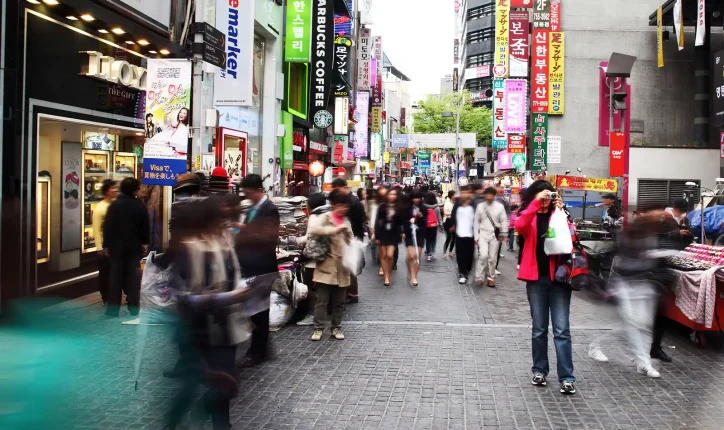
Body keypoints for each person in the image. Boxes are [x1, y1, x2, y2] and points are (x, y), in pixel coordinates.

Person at [516, 180, 577, 395]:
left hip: (560, 279)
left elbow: (572, 239)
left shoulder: (560, 214)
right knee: (539, 329)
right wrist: (534, 204)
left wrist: (562, 212)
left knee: (562, 330)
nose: (546, 199)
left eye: (548, 194)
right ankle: (539, 370)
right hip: (536, 279)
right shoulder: (529, 215)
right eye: (542, 194)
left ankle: (567, 377)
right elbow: (519, 226)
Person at [235, 174, 279, 368]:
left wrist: (242, 229)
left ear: (257, 190)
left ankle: (257, 352)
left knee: (259, 310)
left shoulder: (269, 209)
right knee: (255, 310)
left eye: (248, 192)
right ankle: (262, 347)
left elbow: (267, 237)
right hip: (250, 265)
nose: (246, 196)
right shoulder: (252, 209)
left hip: (262, 267)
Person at [309, 189, 353, 341]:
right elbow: (314, 230)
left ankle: (336, 327)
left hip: (343, 267)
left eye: (346, 206)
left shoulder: (346, 220)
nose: (344, 208)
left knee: (339, 302)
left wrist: (350, 240)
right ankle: (318, 328)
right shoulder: (325, 217)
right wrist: (334, 230)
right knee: (322, 300)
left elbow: (350, 240)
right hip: (326, 265)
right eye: (341, 205)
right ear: (334, 205)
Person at [102, 177, 149, 317]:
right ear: (134, 190)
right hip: (134, 248)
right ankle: (134, 308)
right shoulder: (140, 206)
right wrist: (144, 243)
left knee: (115, 279)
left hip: (116, 249)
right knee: (133, 280)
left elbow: (107, 227)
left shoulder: (114, 206)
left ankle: (112, 310)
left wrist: (106, 246)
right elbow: (144, 227)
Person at [294, 193, 329, 326]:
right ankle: (323, 312)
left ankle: (312, 315)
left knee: (311, 288)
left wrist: (294, 240)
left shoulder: (315, 216)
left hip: (314, 259)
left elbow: (309, 237)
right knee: (322, 288)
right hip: (327, 257)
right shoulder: (329, 214)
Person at [332, 178, 366, 304]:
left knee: (349, 265)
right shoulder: (353, 200)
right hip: (353, 236)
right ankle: (351, 293)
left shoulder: (351, 202)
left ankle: (351, 294)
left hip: (351, 237)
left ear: (341, 187)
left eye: (335, 189)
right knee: (349, 264)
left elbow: (353, 222)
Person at [474, 187, 508, 288]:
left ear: (494, 195)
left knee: (492, 258)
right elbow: (476, 221)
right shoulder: (480, 206)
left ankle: (490, 278)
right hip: (483, 234)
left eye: (491, 194)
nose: (489, 196)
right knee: (483, 255)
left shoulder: (500, 207)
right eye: (487, 194)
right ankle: (479, 276)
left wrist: (503, 233)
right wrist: (476, 235)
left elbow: (504, 221)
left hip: (495, 235)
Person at [92, 179, 117, 305]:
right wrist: (99, 248)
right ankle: (105, 296)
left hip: (115, 245)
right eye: (113, 188)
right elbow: (96, 230)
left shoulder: (116, 204)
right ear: (107, 191)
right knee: (105, 274)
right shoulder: (100, 208)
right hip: (104, 247)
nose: (116, 190)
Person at [375, 188, 404, 286]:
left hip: (393, 233)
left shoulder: (399, 207)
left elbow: (401, 222)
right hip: (383, 232)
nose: (392, 196)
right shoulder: (382, 207)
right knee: (383, 255)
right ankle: (386, 276)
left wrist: (394, 215)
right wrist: (377, 235)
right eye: (390, 194)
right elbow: (377, 221)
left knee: (390, 255)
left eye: (394, 195)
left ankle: (389, 272)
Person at [450, 186, 477, 284]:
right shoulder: (457, 205)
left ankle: (467, 270)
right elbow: (453, 216)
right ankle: (462, 272)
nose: (464, 195)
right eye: (463, 193)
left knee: (469, 255)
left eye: (466, 193)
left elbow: (477, 219)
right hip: (459, 234)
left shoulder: (473, 205)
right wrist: (453, 226)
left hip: (470, 234)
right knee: (460, 255)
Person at [405, 191, 427, 286]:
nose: (416, 199)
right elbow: (403, 220)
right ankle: (410, 271)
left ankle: (414, 276)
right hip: (409, 233)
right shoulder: (406, 208)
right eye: (415, 197)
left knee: (417, 255)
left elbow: (425, 222)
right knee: (410, 256)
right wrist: (409, 221)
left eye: (418, 197)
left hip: (420, 233)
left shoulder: (423, 208)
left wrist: (419, 217)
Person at [424, 192, 443, 261]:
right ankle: (432, 251)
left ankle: (428, 253)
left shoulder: (423, 206)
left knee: (427, 240)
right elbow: (439, 217)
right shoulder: (436, 207)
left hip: (426, 225)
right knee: (433, 239)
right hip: (434, 226)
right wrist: (441, 226)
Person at [442, 190, 456, 259]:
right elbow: (445, 213)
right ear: (451, 196)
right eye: (454, 195)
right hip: (448, 221)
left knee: (454, 237)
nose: (455, 196)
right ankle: (444, 252)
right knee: (449, 237)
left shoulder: (455, 203)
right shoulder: (447, 203)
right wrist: (453, 213)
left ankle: (450, 251)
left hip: (455, 221)